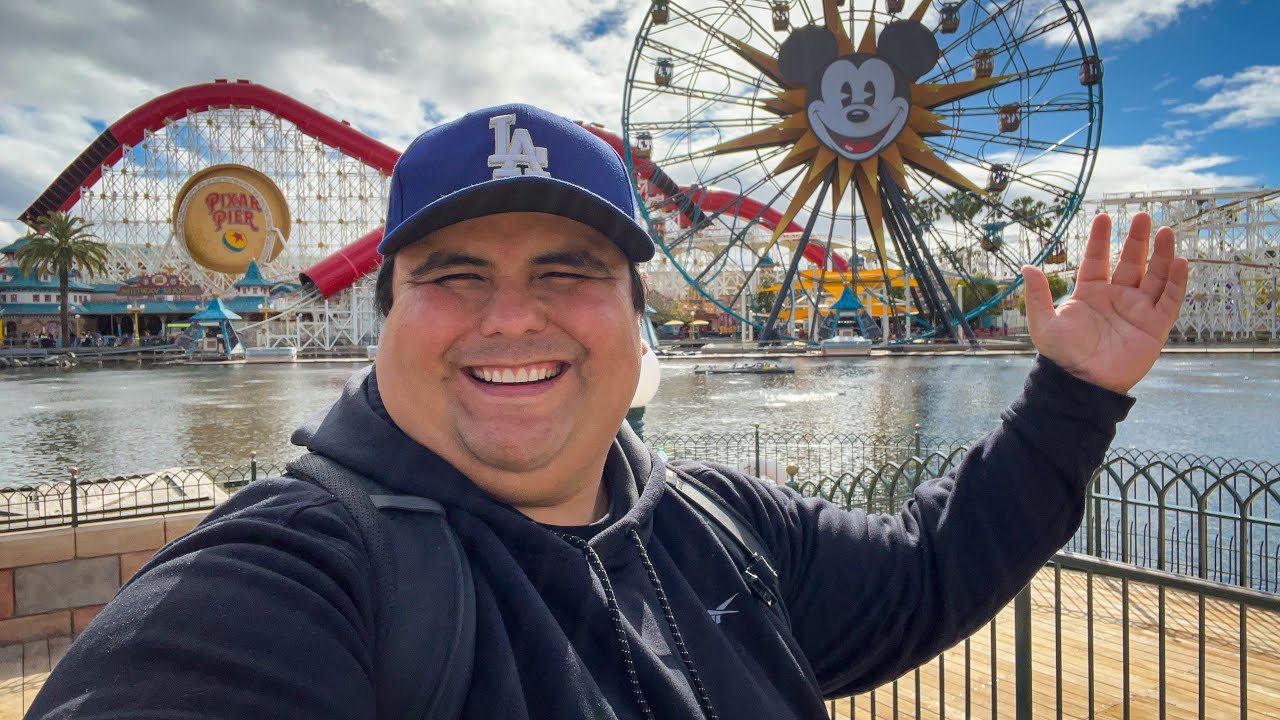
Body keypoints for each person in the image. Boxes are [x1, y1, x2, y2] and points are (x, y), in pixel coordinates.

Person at [27, 103, 1187, 719]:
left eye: (569, 270)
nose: (510, 317)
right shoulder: (292, 584)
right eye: (452, 275)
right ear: (381, 318)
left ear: (638, 319)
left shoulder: (724, 527)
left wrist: (1073, 395)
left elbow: (931, 570)